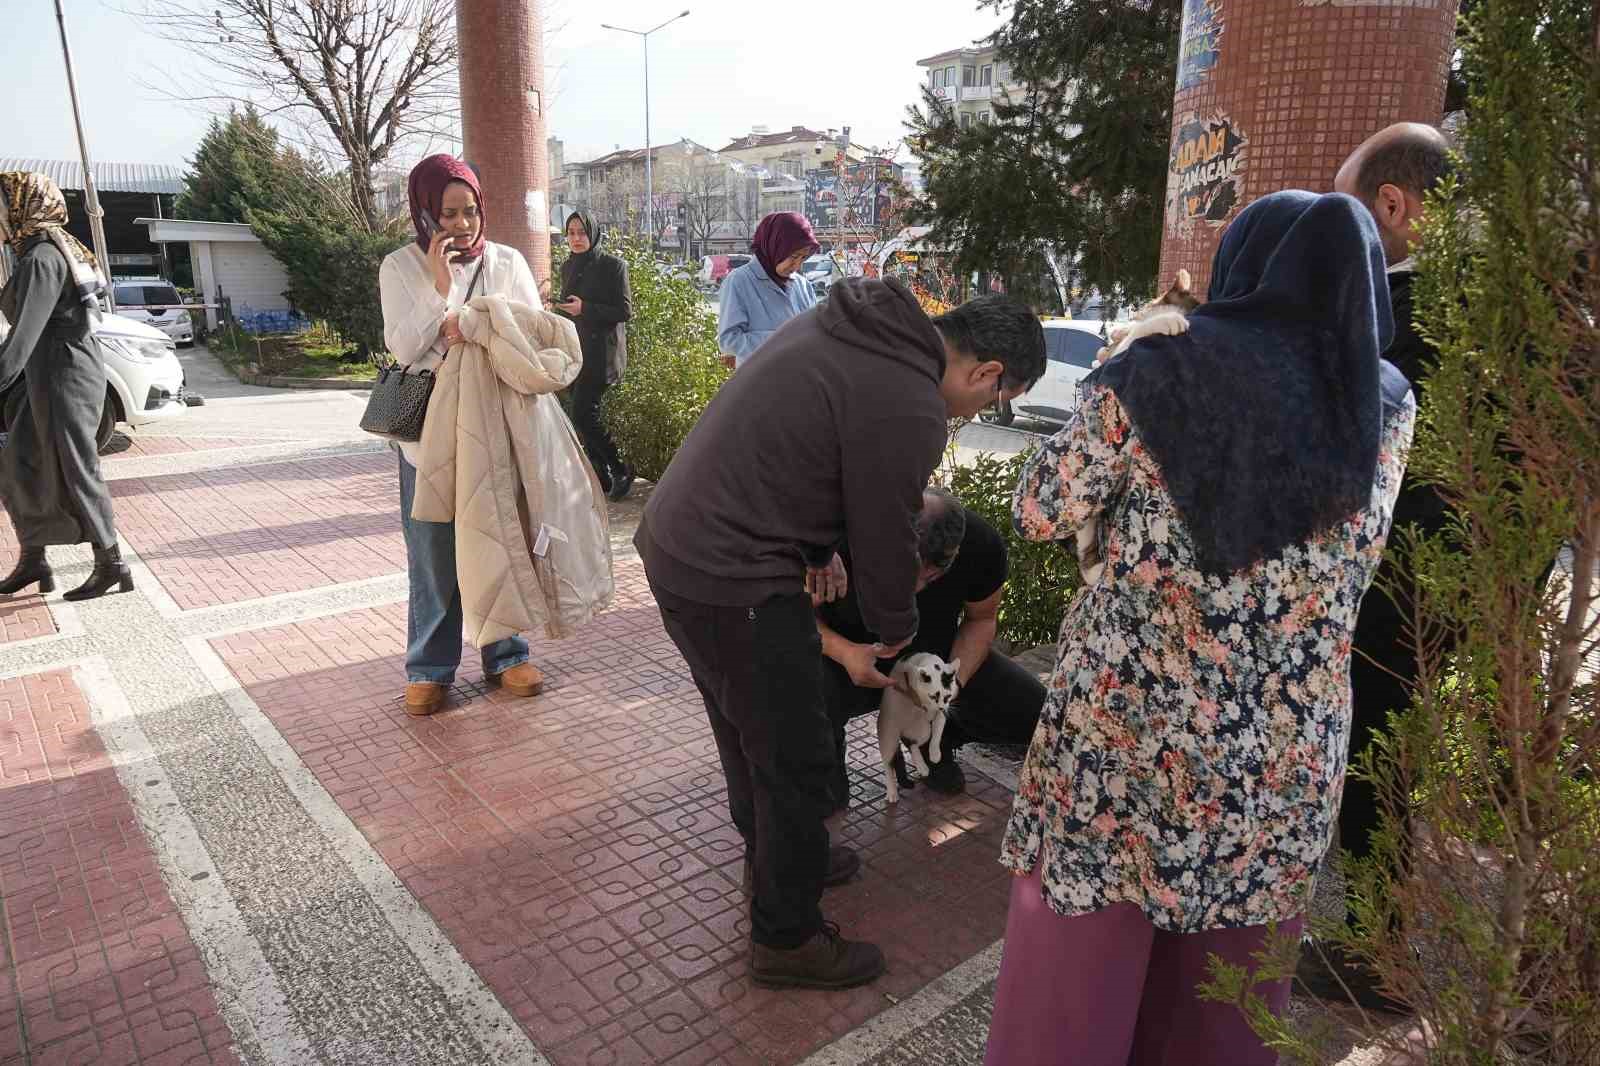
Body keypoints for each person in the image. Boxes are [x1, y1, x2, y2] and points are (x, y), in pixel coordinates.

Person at [985, 191, 1416, 1066]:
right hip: (1280, 769)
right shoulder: (1384, 401)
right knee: (1224, 1018)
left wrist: (1124, 355)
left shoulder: (1157, 371)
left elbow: (1038, 506)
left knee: (1068, 1014)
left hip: (1125, 746)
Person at [637, 282, 1045, 991]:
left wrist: (820, 546)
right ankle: (787, 938)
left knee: (746, 730)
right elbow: (889, 536)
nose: (984, 411)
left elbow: (811, 454)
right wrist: (896, 636)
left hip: (682, 548)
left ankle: (780, 860)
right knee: (792, 756)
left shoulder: (852, 326)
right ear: (985, 373)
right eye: (995, 399)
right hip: (732, 573)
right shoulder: (911, 401)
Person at [1311, 121, 1456, 1008]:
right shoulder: (1471, 305)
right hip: (1440, 579)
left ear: (1392, 208)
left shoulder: (1409, 317)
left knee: (1378, 759)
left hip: (1402, 581)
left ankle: (1376, 956)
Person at [378, 154, 547, 716]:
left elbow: (531, 331)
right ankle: (430, 666)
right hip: (427, 433)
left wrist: (476, 328)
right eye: (448, 213)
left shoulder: (507, 261)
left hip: (495, 425)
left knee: (500, 535)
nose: (461, 225)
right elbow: (405, 348)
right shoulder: (400, 267)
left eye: (470, 211)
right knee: (432, 549)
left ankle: (507, 652)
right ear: (426, 211)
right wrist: (439, 287)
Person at [817, 488, 1045, 803]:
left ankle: (937, 739)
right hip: (849, 663)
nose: (914, 591)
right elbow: (795, 614)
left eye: (930, 579)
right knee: (808, 697)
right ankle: (825, 769)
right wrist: (846, 654)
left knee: (1037, 715)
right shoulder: (841, 537)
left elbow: (982, 620)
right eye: (901, 576)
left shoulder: (981, 543)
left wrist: (952, 687)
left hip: (934, 663)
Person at [0, 172, 133, 602]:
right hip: (39, 375)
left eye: (4, 205)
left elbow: (23, 335)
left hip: (64, 375)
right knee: (16, 463)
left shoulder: (43, 258)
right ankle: (34, 560)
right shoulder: (32, 253)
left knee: (77, 467)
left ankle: (111, 563)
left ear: (25, 206)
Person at [556, 212, 634, 501]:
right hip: (575, 352)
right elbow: (571, 307)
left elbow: (624, 311)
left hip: (602, 354)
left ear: (593, 233)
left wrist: (585, 308)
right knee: (579, 416)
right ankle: (599, 475)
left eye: (581, 233)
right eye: (571, 233)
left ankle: (621, 467)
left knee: (583, 414)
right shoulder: (567, 267)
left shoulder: (613, 266)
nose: (576, 239)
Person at [716, 212, 820, 369]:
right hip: (760, 385)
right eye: (793, 256)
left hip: (801, 382)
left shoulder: (803, 285)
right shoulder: (739, 282)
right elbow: (729, 341)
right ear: (774, 246)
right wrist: (784, 340)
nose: (797, 266)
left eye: (803, 258)